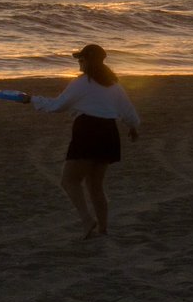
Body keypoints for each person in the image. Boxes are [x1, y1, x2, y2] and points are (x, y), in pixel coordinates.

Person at [23, 44, 140, 240]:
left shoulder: (81, 83)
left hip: (88, 131)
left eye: (81, 59)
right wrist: (133, 127)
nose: (79, 62)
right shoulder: (114, 84)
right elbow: (128, 112)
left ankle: (87, 220)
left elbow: (57, 106)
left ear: (88, 61)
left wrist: (31, 99)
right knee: (96, 185)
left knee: (69, 181)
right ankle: (103, 229)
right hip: (109, 133)